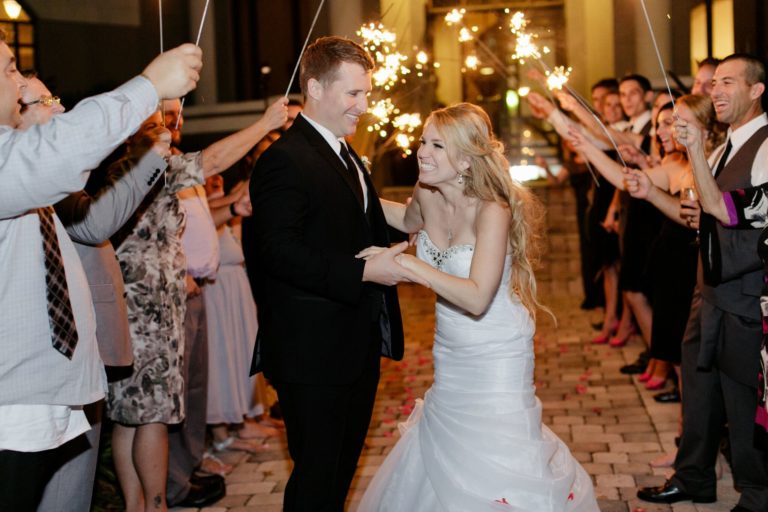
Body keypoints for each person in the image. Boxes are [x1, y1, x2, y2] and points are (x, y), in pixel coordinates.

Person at [357, 103, 599, 511]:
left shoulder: (493, 210)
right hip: (449, 347)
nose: (422, 152)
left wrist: (408, 264)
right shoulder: (425, 193)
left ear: (466, 160)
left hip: (497, 347)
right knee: (451, 450)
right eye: (423, 141)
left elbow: (476, 296)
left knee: (496, 451)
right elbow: (406, 220)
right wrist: (353, 187)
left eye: (437, 145)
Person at [0, 32, 201, 509]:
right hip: (14, 399)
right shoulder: (21, 165)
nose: (23, 85)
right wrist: (149, 85)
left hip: (55, 385)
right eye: (11, 69)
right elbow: (65, 168)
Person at [248, 36, 423, 511]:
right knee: (316, 480)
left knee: (338, 474)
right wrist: (365, 271)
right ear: (315, 88)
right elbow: (277, 252)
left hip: (350, 341)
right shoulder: (284, 159)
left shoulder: (344, 153)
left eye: (366, 93)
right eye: (354, 94)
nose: (364, 106)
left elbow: (352, 217)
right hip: (312, 350)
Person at [15, 75, 170, 512]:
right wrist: (153, 157)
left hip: (77, 359)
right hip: (36, 373)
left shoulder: (51, 177)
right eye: (48, 101)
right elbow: (93, 224)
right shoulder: (29, 178)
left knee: (72, 492)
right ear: (16, 110)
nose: (62, 110)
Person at [637, 53, 768, 512]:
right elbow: (707, 214)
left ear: (757, 90)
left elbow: (734, 210)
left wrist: (693, 153)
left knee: (742, 400)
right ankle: (694, 477)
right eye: (715, 84)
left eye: (728, 82)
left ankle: (757, 496)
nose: (716, 91)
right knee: (698, 390)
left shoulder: (766, 146)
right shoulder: (723, 147)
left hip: (748, 297)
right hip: (708, 292)